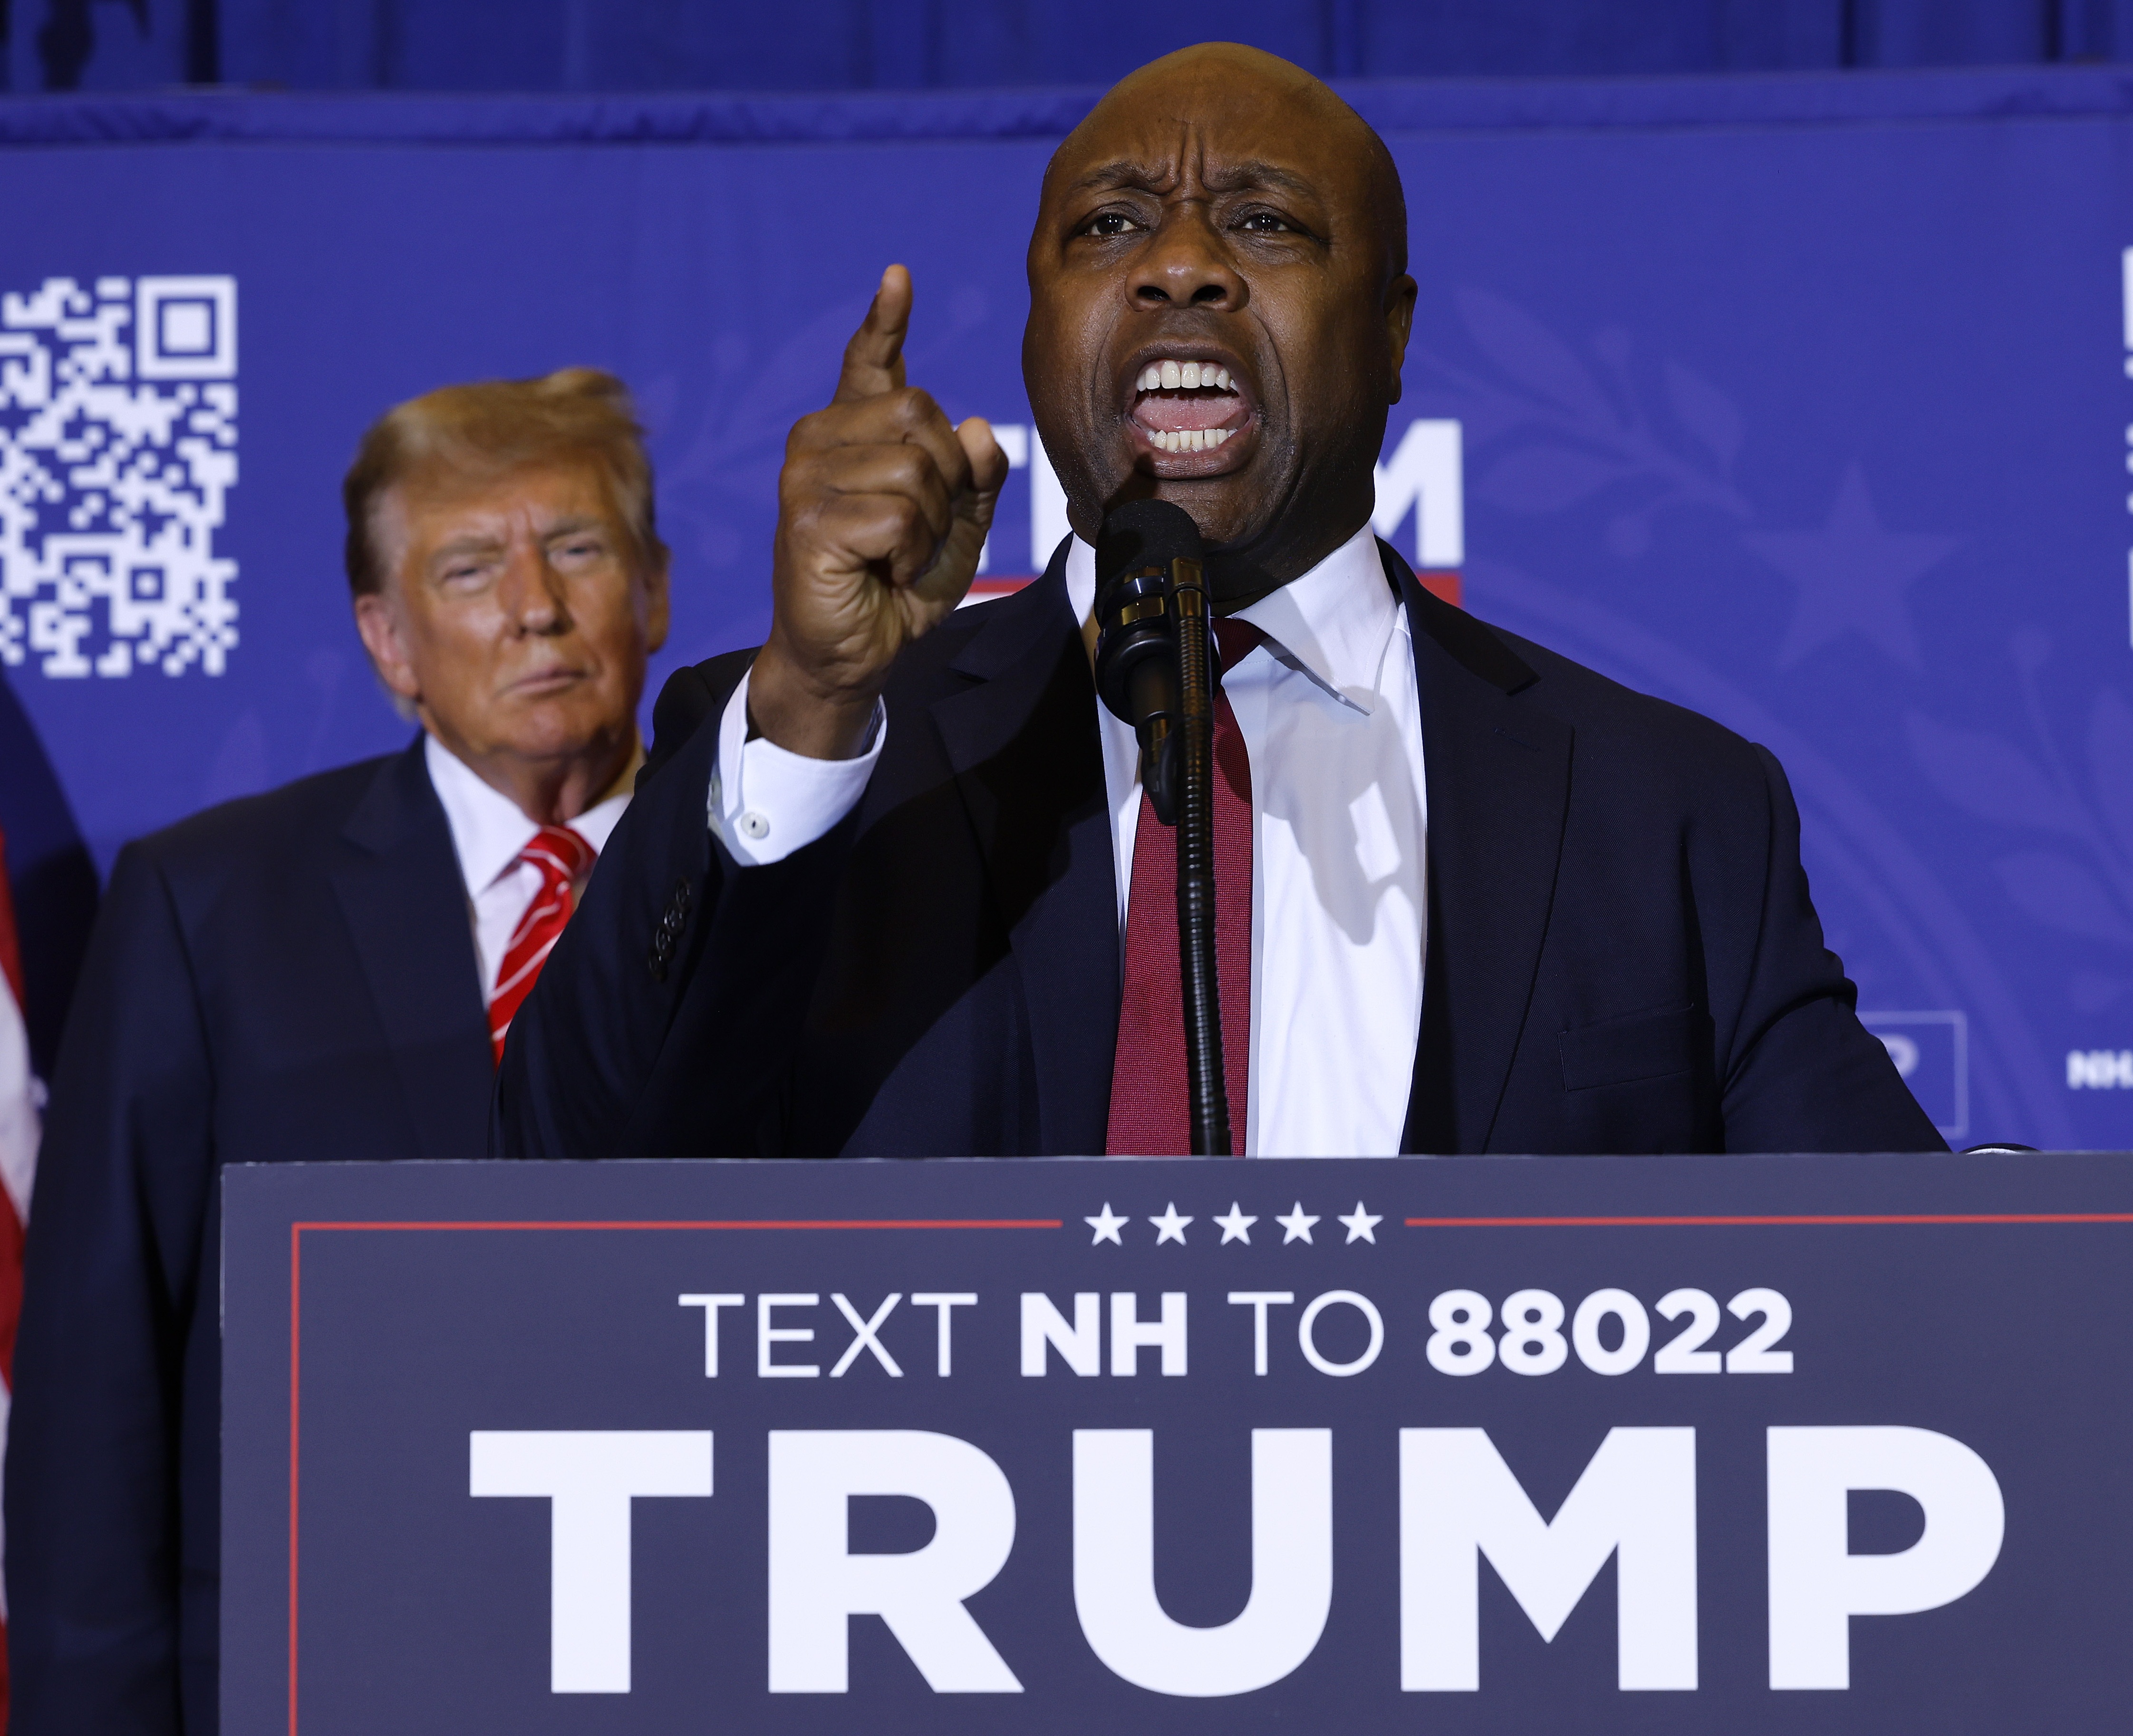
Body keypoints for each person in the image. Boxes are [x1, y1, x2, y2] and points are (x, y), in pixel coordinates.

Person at [496, 43, 1940, 1165]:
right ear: (1036, 323)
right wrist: (813, 704)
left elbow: (1907, 1291)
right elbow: (562, 1194)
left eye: (1264, 222)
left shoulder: (1668, 810)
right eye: (1112, 225)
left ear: (1392, 334)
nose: (1179, 264)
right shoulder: (819, 751)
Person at [5, 368, 671, 1736]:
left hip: (698, 1661)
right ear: (387, 640)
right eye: (472, 566)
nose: (536, 605)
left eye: (581, 549)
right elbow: (95, 1395)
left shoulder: (780, 885)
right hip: (316, 1684)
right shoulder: (213, 906)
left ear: (655, 594)